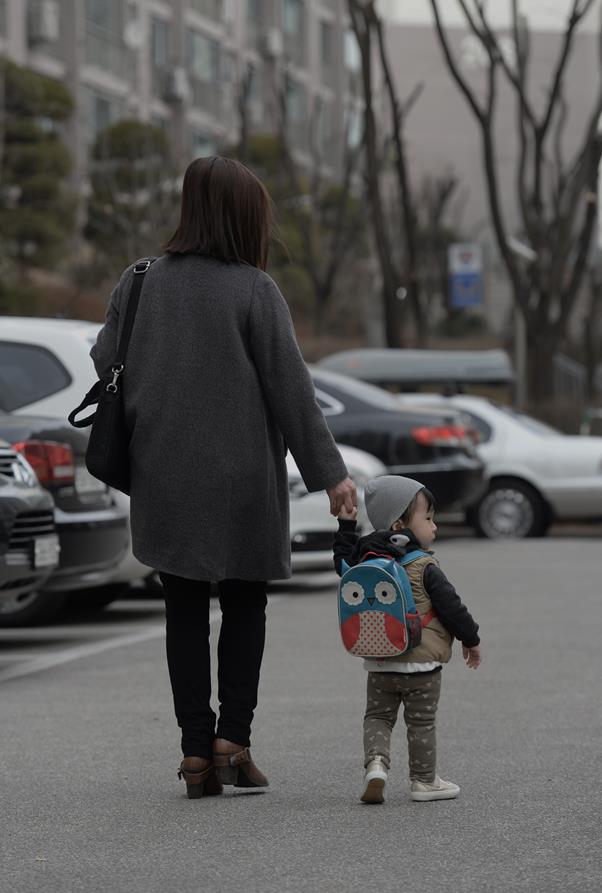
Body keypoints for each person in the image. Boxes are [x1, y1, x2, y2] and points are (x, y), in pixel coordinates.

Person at [91, 156, 356, 799]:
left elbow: (105, 357)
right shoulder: (253, 289)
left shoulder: (141, 279)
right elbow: (292, 391)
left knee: (181, 605)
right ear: (243, 216)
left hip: (164, 470)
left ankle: (194, 756)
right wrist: (332, 476)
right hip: (242, 476)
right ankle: (232, 742)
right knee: (244, 602)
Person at [333, 475, 481, 804]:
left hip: (380, 662)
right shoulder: (424, 565)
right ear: (400, 524)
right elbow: (451, 606)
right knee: (421, 723)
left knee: (378, 717)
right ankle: (424, 782)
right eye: (427, 518)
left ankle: (375, 764)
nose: (434, 526)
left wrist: (347, 525)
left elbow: (340, 564)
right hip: (422, 666)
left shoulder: (365, 561)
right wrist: (470, 638)